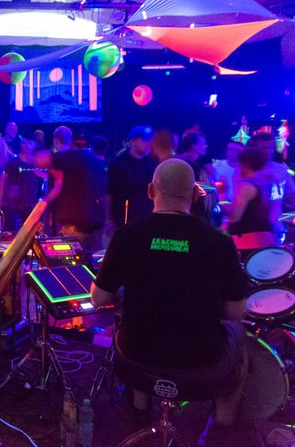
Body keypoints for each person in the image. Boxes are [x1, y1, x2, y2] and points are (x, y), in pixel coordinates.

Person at [91, 159, 247, 435]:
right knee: (240, 340)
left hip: (135, 355)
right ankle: (221, 428)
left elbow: (100, 299)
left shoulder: (127, 235)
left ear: (151, 191)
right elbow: (236, 312)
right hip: (201, 359)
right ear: (194, 194)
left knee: (134, 328)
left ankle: (139, 413)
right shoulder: (220, 242)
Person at [37, 126, 107, 251]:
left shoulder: (70, 157)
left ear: (72, 143)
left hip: (75, 226)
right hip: (96, 224)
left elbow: (40, 159)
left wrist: (40, 205)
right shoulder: (99, 162)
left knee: (66, 261)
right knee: (92, 262)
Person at [222, 147, 277, 259]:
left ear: (246, 165)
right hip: (267, 239)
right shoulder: (269, 183)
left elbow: (234, 217)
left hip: (245, 241)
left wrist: (221, 195)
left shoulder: (246, 186)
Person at [107, 125, 157, 227]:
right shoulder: (117, 164)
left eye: (150, 140)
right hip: (123, 220)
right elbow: (109, 193)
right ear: (132, 141)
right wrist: (109, 220)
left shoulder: (152, 163)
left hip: (147, 219)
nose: (148, 144)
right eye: (144, 140)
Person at [0, 138, 44, 231]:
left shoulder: (38, 163)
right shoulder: (13, 162)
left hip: (32, 205)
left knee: (31, 233)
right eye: (24, 142)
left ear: (35, 145)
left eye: (30, 142)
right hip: (15, 207)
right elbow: (3, 180)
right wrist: (1, 201)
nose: (26, 145)